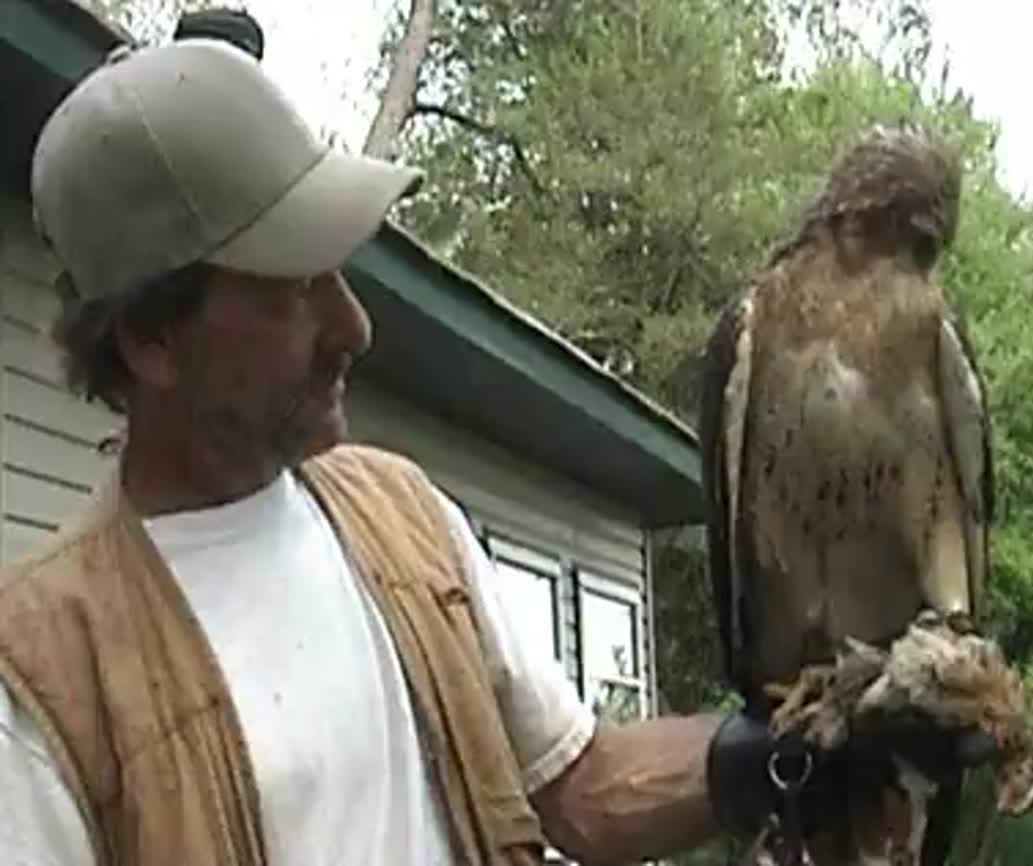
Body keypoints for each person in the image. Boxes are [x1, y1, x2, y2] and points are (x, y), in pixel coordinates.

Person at [0, 17, 981, 866]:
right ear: (153, 339)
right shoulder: (41, 685)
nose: (355, 327)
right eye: (296, 290)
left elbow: (582, 786)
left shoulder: (396, 514)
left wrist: (793, 749)